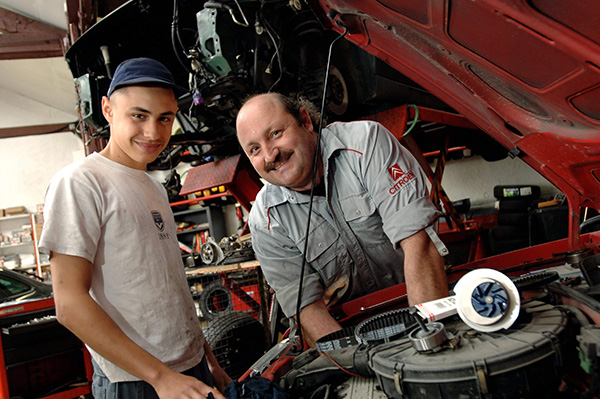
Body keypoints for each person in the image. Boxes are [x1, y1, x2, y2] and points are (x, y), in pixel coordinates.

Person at [39, 57, 231, 399]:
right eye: (139, 116)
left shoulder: (153, 187)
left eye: (165, 119)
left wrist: (208, 361)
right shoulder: (80, 183)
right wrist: (160, 377)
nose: (154, 133)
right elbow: (69, 303)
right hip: (136, 380)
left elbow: (170, 286)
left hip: (187, 369)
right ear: (108, 109)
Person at [236, 93, 449, 347]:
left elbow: (419, 245)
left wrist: (426, 343)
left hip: (421, 301)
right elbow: (307, 310)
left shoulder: (366, 144)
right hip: (349, 331)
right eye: (255, 149)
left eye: (275, 134)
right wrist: (361, 365)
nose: (270, 155)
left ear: (305, 120)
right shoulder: (266, 220)